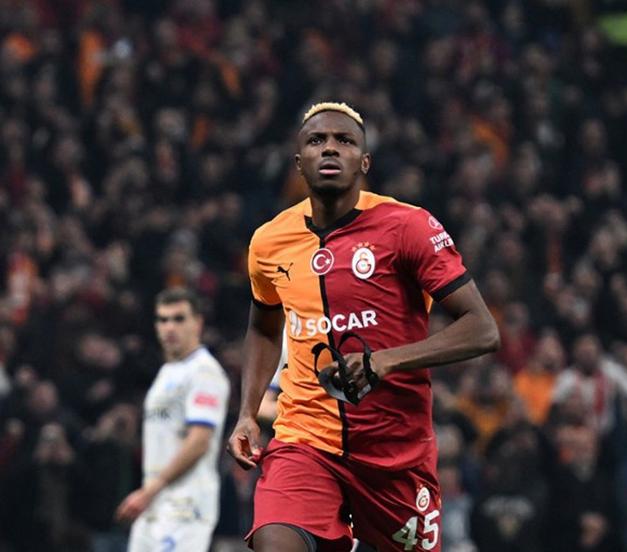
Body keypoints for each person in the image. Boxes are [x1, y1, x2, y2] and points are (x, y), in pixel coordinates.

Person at [226, 101, 500, 552]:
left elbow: (483, 329)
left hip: (395, 453)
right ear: (299, 163)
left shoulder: (408, 227)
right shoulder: (269, 241)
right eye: (317, 141)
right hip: (305, 439)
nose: (330, 149)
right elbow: (262, 328)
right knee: (274, 543)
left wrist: (386, 362)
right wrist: (247, 413)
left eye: (344, 141)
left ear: (364, 161)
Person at [115, 287, 230, 552]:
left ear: (197, 323)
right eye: (163, 319)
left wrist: (151, 489)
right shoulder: (167, 372)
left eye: (179, 319)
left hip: (185, 505)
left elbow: (200, 440)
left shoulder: (205, 372)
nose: (169, 327)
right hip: (155, 501)